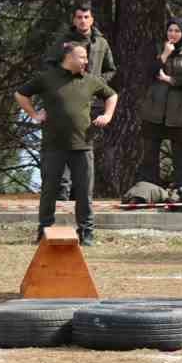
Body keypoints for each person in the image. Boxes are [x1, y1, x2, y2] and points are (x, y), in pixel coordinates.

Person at [16, 41, 118, 246]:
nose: (86, 61)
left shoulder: (90, 80)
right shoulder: (46, 78)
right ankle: (44, 231)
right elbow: (20, 94)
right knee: (49, 191)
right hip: (53, 146)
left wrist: (107, 115)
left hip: (83, 145)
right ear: (68, 57)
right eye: (82, 57)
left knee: (84, 192)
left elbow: (112, 95)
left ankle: (87, 233)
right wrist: (34, 114)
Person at [44, 5, 116, 200]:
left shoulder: (101, 42)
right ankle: (62, 192)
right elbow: (49, 65)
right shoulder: (64, 42)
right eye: (79, 17)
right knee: (66, 143)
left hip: (93, 103)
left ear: (92, 19)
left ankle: (81, 192)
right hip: (68, 99)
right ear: (74, 20)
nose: (83, 20)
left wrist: (98, 83)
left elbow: (111, 69)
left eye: (86, 17)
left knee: (86, 147)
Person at [137, 18, 182, 187]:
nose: (173, 34)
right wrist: (164, 54)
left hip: (180, 110)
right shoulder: (157, 48)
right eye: (170, 30)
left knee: (179, 157)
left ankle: (181, 190)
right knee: (150, 155)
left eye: (177, 31)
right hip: (155, 108)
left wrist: (170, 79)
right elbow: (149, 72)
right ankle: (149, 190)